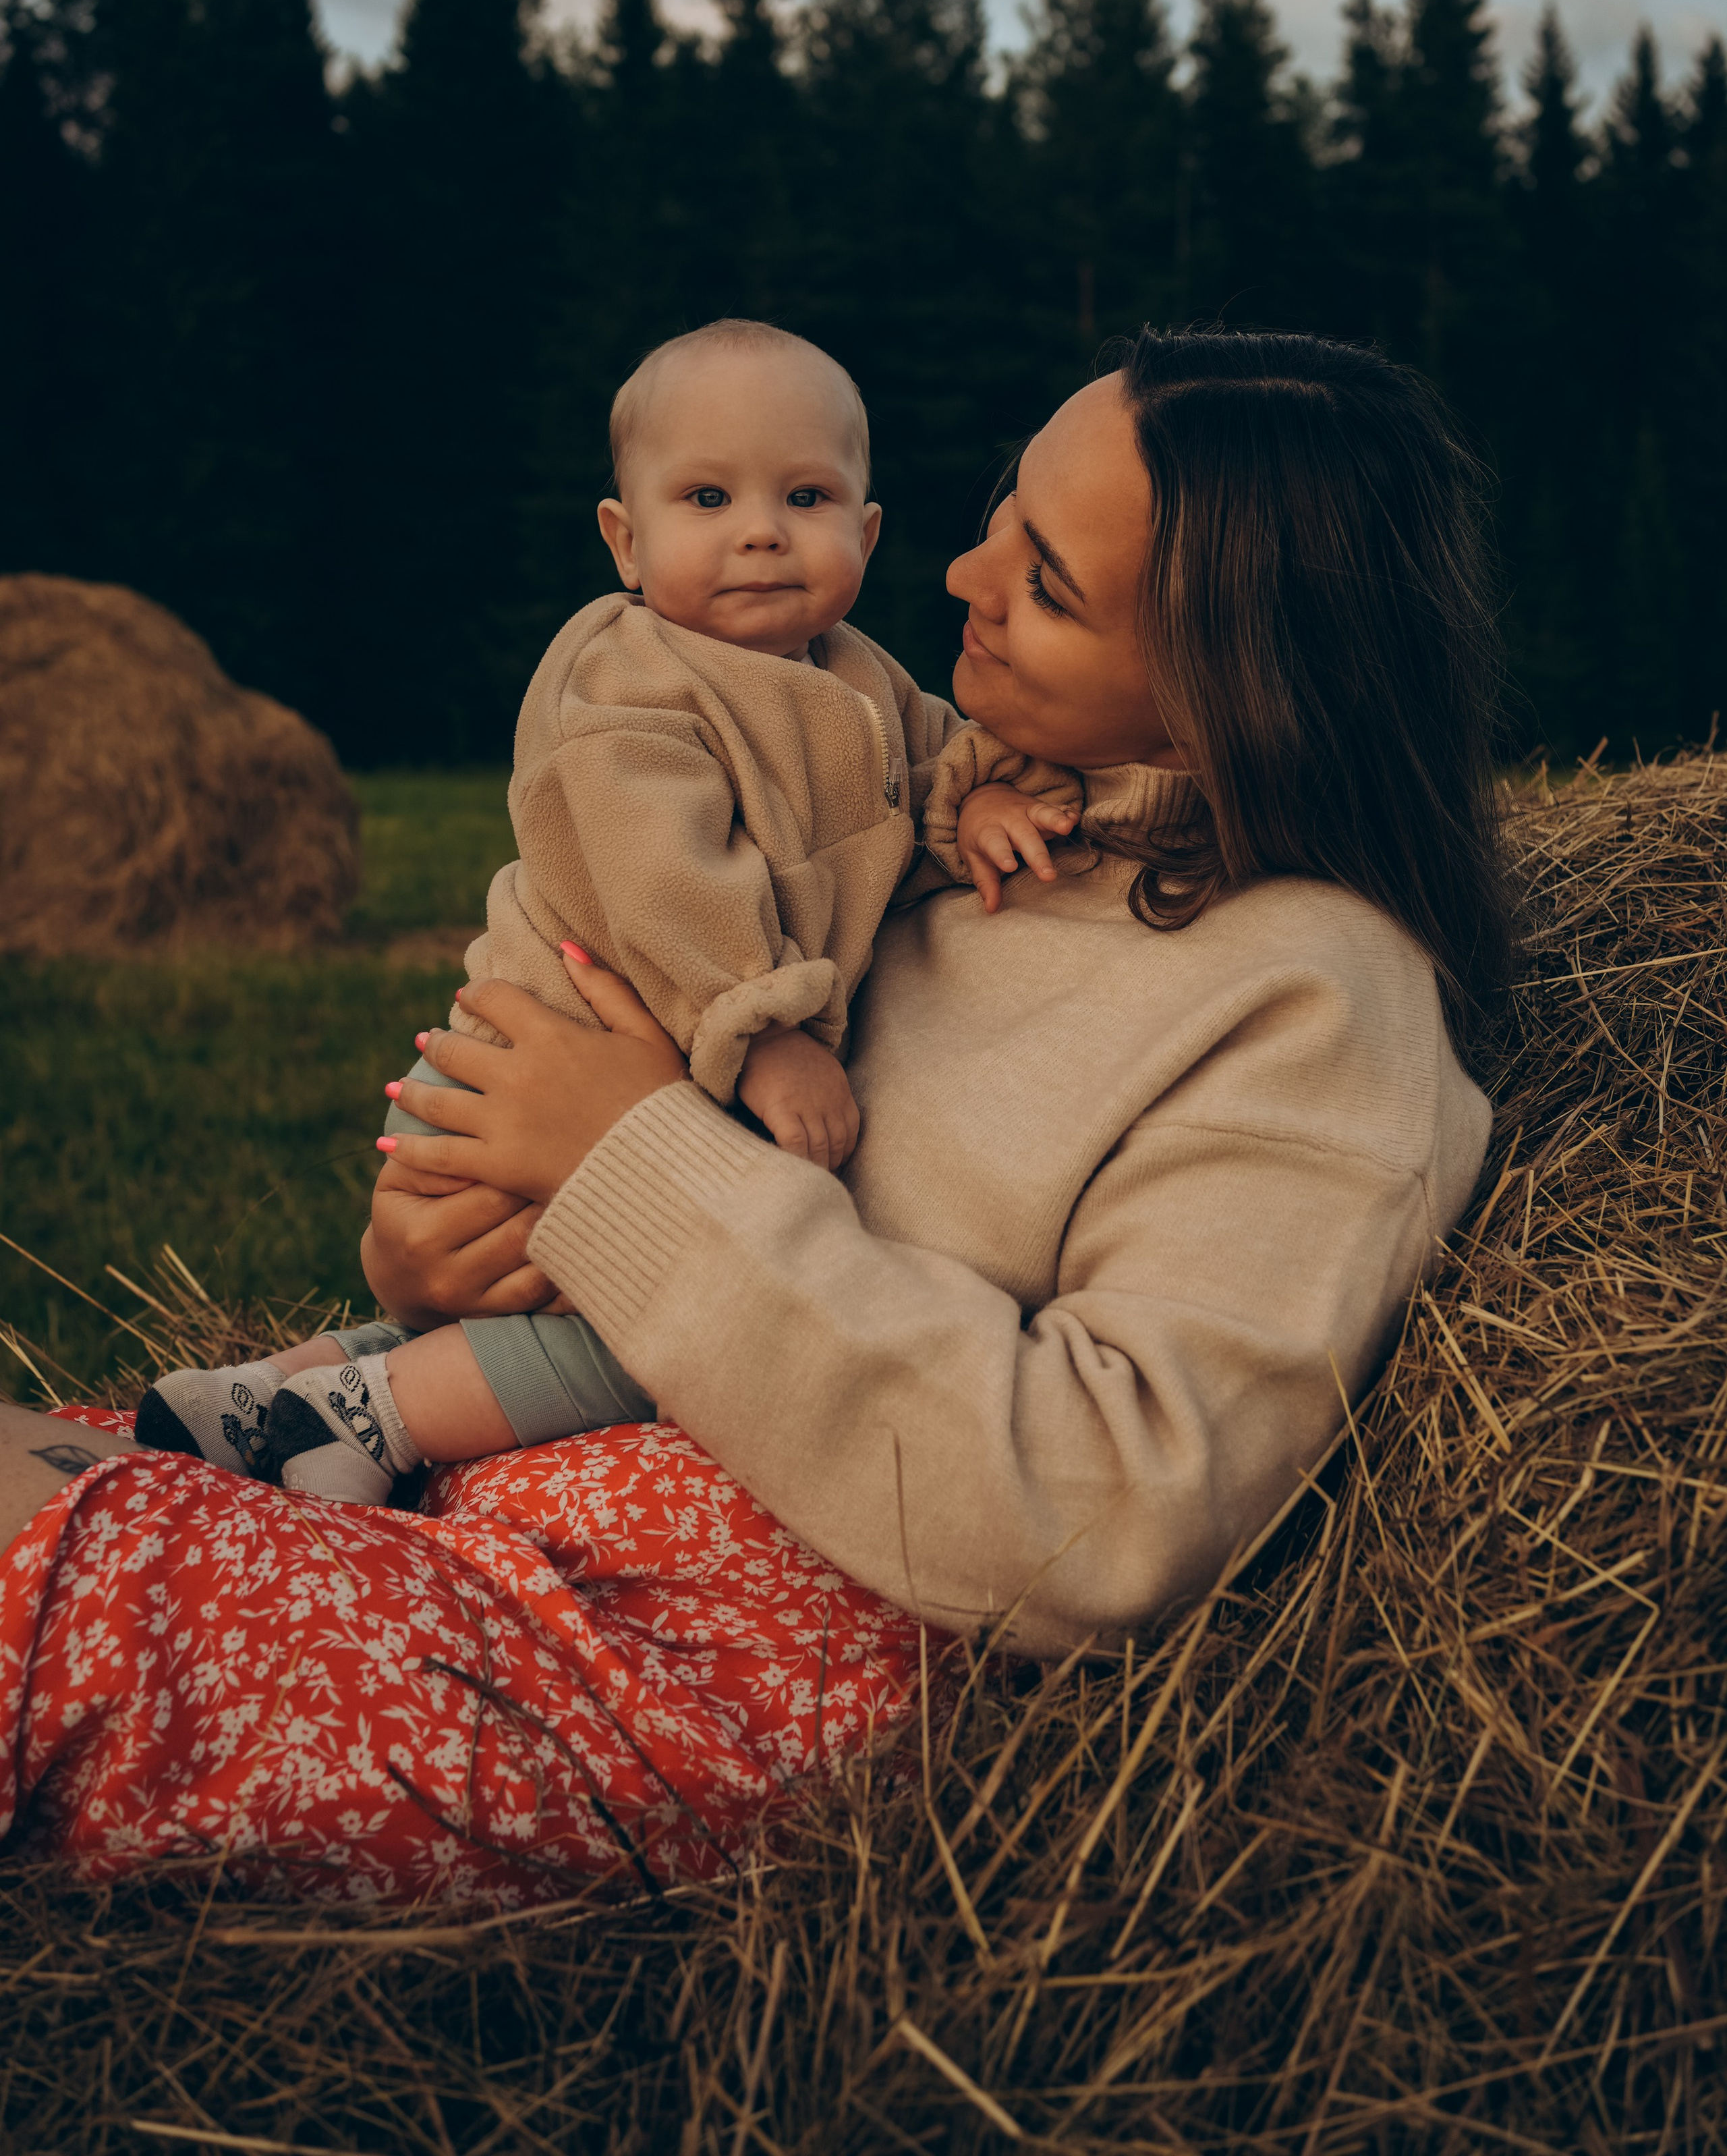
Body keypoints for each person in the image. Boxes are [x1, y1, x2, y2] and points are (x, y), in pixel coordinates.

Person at [0, 330, 1506, 1903]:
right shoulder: (954, 825)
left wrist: (625, 1159)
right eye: (1002, 504)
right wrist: (461, 1247)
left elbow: (1112, 1500)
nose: (954, 572)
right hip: (485, 1493)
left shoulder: (1314, 1002)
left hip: (683, 1662)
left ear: (1228, 693)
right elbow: (680, 1202)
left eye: (1045, 583)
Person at [131, 319, 1077, 1504]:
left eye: (806, 494)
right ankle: (379, 1419)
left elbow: (934, 764)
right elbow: (659, 881)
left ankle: (287, 1391)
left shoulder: (862, 679)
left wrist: (974, 803)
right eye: (706, 496)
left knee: (586, 1304)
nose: (760, 529)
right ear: (624, 542)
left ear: (867, 532)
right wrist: (766, 1024)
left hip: (646, 1081)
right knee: (671, 1332)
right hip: (556, 1060)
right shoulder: (627, 683)